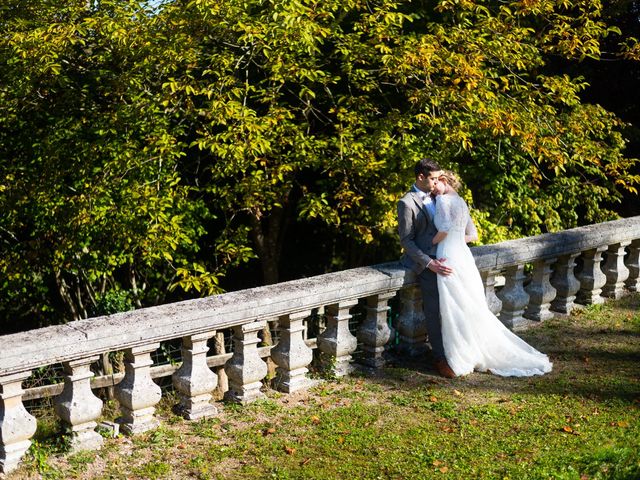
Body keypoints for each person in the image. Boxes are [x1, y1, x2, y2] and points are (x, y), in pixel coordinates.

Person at [432, 171, 552, 377]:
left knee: (453, 305)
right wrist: (456, 239)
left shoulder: (443, 201)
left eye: (436, 183)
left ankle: (461, 355)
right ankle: (471, 348)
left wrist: (433, 243)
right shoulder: (461, 202)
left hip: (448, 255)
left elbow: (443, 229)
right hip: (462, 255)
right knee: (468, 304)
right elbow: (473, 234)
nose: (433, 187)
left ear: (444, 181)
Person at [397, 159, 456, 378]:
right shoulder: (406, 203)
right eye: (433, 178)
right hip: (426, 264)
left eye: (439, 178)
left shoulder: (439, 196)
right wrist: (430, 264)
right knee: (434, 311)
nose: (437, 182)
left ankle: (458, 351)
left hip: (447, 259)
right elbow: (407, 241)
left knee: (456, 307)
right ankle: (441, 358)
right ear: (420, 177)